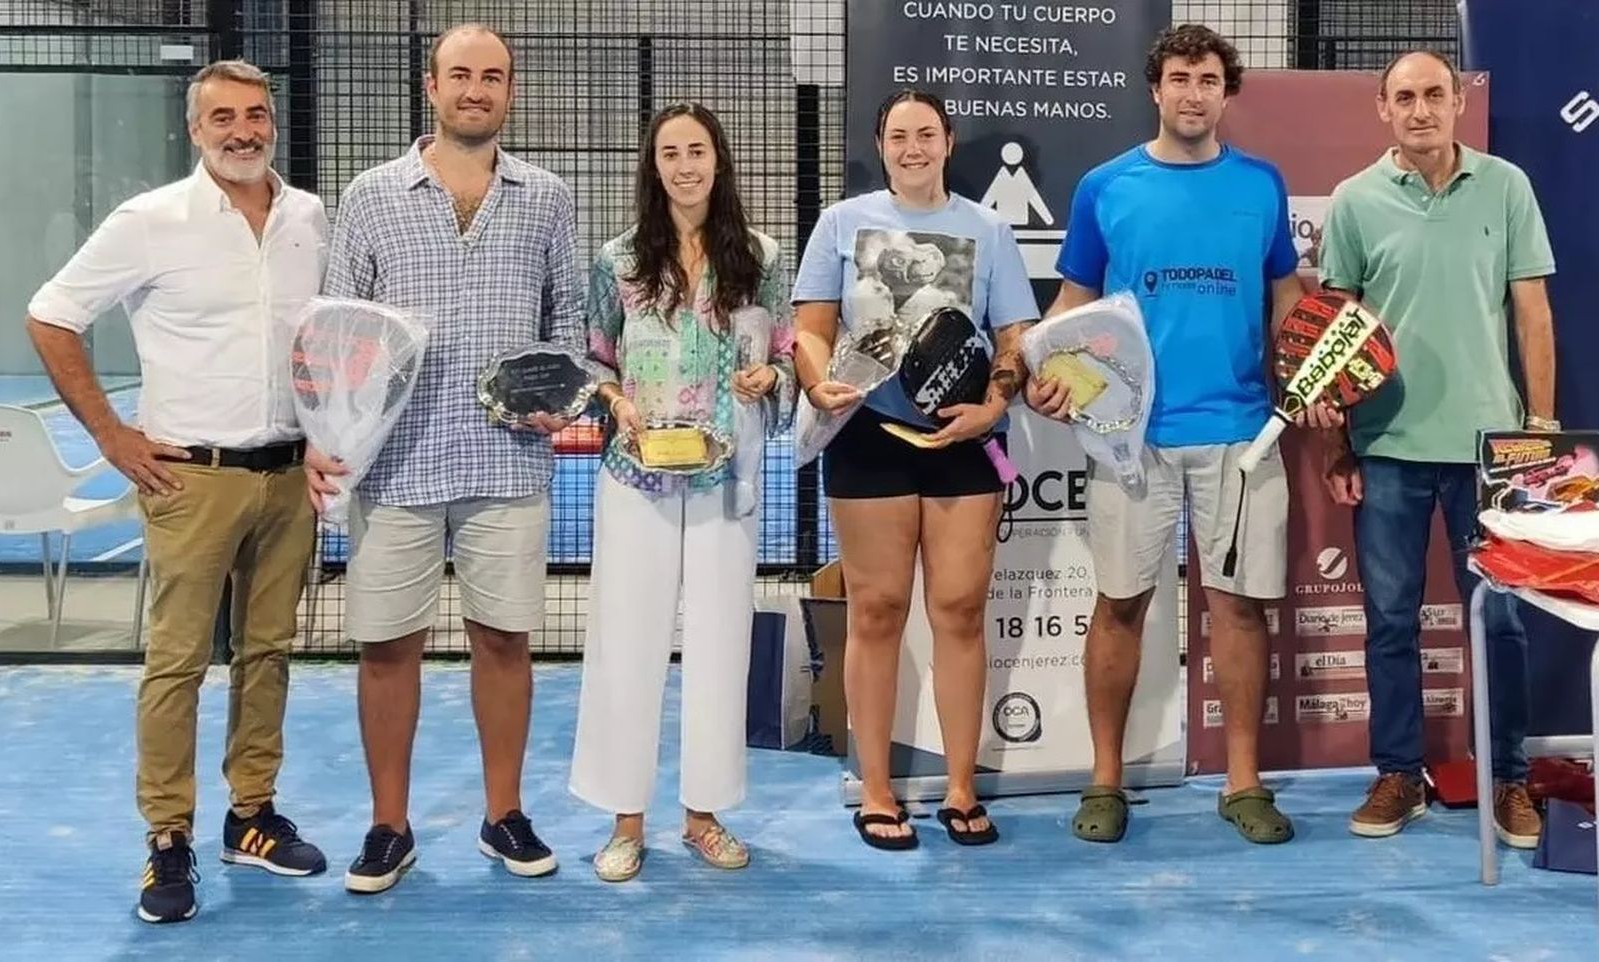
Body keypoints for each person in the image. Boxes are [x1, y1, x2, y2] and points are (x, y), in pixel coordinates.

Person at [25, 59, 329, 924]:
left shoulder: (308, 216)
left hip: (289, 476)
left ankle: (252, 818)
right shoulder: (148, 221)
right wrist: (109, 436)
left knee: (268, 654)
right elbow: (51, 315)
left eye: (256, 115)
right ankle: (167, 837)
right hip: (189, 480)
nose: (243, 130)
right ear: (195, 131)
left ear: (274, 123)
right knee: (179, 665)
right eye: (223, 117)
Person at [1026, 24, 1336, 845]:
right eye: (1178, 77)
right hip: (1132, 442)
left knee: (1236, 610)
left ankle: (1242, 782)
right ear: (1155, 89)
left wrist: (1310, 376)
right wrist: (1040, 371)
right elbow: (1072, 307)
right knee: (1120, 604)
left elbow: (1287, 302)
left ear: (1225, 92)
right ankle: (1105, 780)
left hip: (1242, 436)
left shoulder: (1262, 186)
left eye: (1207, 78)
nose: (1193, 92)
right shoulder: (1104, 187)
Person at [308, 23, 584, 893]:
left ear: (511, 90)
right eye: (460, 75)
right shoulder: (371, 194)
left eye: (492, 77)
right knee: (388, 649)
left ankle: (503, 815)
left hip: (508, 468)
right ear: (430, 87)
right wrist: (329, 438)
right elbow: (336, 330)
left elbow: (568, 318)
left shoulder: (547, 197)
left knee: (506, 642)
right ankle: (388, 826)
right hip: (392, 469)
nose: (476, 90)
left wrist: (559, 395)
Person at [1318, 49, 1557, 849]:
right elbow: (1335, 330)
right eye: (1405, 98)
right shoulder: (1354, 201)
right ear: (1383, 109)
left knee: (1502, 626)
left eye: (1434, 95)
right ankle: (1398, 773)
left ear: (1458, 102)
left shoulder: (1507, 186)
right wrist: (1345, 442)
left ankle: (1511, 780)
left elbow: (1532, 312)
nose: (1420, 109)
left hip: (1494, 450)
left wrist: (1543, 428)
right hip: (1387, 445)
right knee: (1389, 620)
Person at [791, 88, 1038, 850]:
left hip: (960, 440)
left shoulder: (988, 230)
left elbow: (1015, 339)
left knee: (961, 612)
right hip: (867, 437)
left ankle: (962, 787)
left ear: (948, 141)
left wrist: (993, 409)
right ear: (881, 144)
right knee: (876, 612)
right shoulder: (841, 223)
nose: (912, 148)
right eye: (898, 136)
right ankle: (875, 790)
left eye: (926, 134)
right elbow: (808, 331)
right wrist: (814, 380)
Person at [567, 102, 795, 882]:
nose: (686, 165)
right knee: (626, 643)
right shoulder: (618, 259)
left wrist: (772, 375)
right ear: (653, 165)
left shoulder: (760, 257)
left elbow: (788, 351)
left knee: (721, 643)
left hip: (726, 476)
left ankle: (703, 814)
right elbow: (596, 359)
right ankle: (626, 820)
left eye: (698, 151)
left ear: (719, 161)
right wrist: (616, 402)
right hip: (636, 474)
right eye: (671, 153)